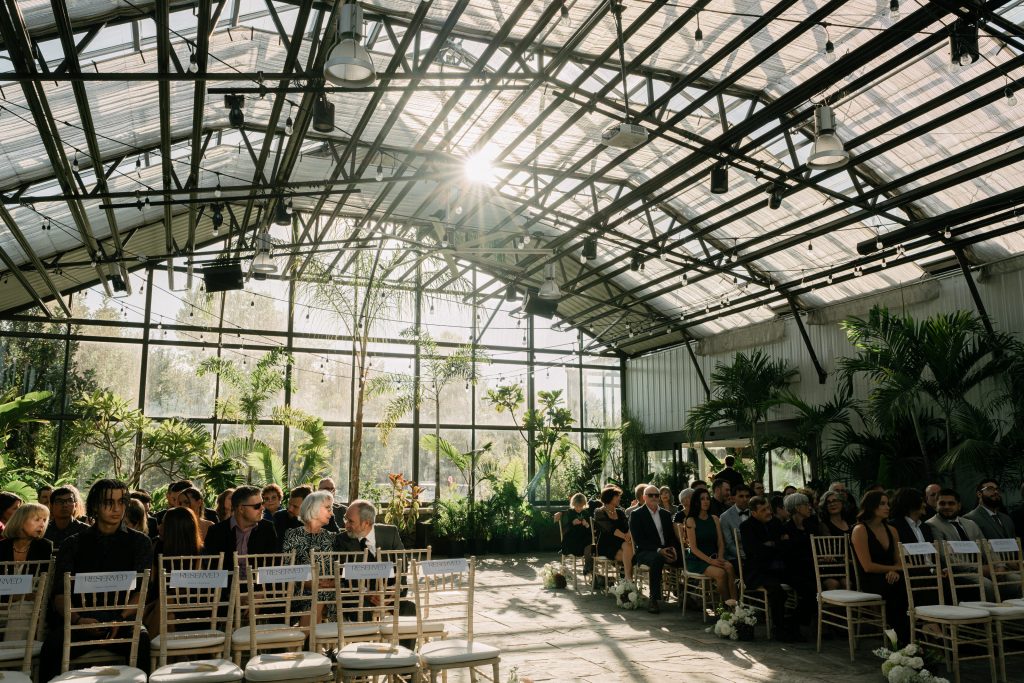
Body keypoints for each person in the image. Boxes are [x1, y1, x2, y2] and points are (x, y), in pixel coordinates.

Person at [40, 479, 153, 682]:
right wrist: (78, 620)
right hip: (78, 622)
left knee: (142, 641)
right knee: (52, 646)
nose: (116, 508)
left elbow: (141, 593)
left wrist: (121, 617)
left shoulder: (140, 543)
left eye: (121, 502)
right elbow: (58, 595)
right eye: (109, 502)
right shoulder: (72, 544)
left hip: (122, 621)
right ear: (95, 506)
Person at [851, 490, 909, 646]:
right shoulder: (860, 530)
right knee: (898, 585)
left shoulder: (892, 530)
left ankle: (908, 634)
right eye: (882, 504)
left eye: (888, 503)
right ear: (871, 506)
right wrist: (891, 569)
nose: (887, 507)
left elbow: (899, 562)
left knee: (907, 583)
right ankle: (900, 638)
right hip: (871, 579)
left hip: (892, 575)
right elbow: (867, 566)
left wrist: (894, 570)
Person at [740, 496, 797, 641]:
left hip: (780, 568)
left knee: (806, 583)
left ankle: (794, 625)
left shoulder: (776, 522)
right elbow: (755, 551)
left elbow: (788, 546)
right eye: (763, 510)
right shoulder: (746, 526)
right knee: (778, 591)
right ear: (754, 513)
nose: (768, 512)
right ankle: (779, 628)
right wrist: (776, 545)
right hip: (758, 571)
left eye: (768, 508)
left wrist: (771, 545)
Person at [926, 488, 995, 601]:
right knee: (986, 585)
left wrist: (997, 566)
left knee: (1016, 579)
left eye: (951, 503)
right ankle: (991, 617)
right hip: (958, 572)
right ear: (936, 505)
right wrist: (978, 569)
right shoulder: (932, 525)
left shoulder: (970, 524)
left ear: (959, 505)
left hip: (984, 568)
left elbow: (986, 548)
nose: (947, 506)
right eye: (942, 503)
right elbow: (944, 556)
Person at [282, 491, 338, 623]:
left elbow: (339, 567)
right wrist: (309, 583)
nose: (331, 513)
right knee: (318, 595)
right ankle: (310, 641)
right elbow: (287, 568)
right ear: (314, 508)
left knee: (321, 594)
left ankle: (301, 640)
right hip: (300, 590)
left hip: (329, 591)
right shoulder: (292, 534)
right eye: (328, 508)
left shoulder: (331, 537)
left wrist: (332, 582)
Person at [629, 485, 680, 614]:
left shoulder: (665, 514)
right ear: (644, 497)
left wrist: (672, 549)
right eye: (651, 495)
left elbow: (671, 537)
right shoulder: (637, 514)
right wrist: (658, 550)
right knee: (657, 558)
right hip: (645, 551)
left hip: (664, 549)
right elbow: (639, 540)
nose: (654, 497)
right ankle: (654, 599)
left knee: (683, 555)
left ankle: (687, 595)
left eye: (656, 495)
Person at [203, 485, 279, 570]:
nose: (262, 508)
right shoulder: (216, 531)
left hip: (257, 582)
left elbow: (273, 563)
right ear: (241, 509)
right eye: (257, 506)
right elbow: (210, 566)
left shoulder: (267, 528)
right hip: (227, 582)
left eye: (262, 503)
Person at [684, 488, 737, 602]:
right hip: (697, 559)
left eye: (708, 498)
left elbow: (720, 542)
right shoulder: (691, 520)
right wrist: (710, 561)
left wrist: (721, 557)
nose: (706, 501)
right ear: (696, 502)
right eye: (702, 499)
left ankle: (736, 605)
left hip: (714, 556)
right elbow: (693, 548)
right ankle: (726, 606)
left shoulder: (714, 519)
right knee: (721, 573)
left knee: (730, 567)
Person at [780, 493, 816, 636]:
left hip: (810, 569)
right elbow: (788, 554)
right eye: (806, 505)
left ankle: (794, 622)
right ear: (797, 508)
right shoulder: (786, 528)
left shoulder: (810, 526)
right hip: (792, 570)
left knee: (819, 587)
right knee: (811, 590)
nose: (809, 507)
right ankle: (793, 623)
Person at [334, 499, 403, 558]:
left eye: (351, 521)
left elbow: (402, 564)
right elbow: (342, 570)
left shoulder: (390, 533)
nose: (346, 525)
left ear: (366, 523)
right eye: (345, 519)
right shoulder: (341, 539)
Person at [592, 485, 634, 583]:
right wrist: (625, 536)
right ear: (609, 497)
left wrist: (628, 535)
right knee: (629, 555)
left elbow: (627, 526)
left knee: (628, 547)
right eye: (617, 496)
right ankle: (628, 580)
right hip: (607, 544)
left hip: (622, 542)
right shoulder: (599, 512)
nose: (619, 498)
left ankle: (627, 579)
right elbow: (610, 529)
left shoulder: (620, 512)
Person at [44, 485, 90, 550]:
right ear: (51, 506)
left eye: (69, 501)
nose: (65, 505)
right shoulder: (44, 531)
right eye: (60, 501)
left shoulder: (85, 531)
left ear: (75, 505)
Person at [719, 484, 751, 567]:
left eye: (747, 496)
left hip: (757, 554)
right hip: (735, 557)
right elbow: (729, 544)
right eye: (741, 496)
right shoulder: (725, 517)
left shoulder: (755, 512)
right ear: (733, 498)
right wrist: (745, 555)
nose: (745, 499)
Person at [558, 493, 592, 559]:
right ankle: (566, 549)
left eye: (581, 506)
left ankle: (588, 563)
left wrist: (586, 524)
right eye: (577, 506)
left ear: (584, 505)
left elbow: (590, 529)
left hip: (583, 537)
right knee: (571, 539)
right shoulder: (570, 512)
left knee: (589, 542)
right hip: (572, 537)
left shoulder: (586, 513)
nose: (579, 508)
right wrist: (572, 523)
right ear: (573, 504)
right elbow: (565, 527)